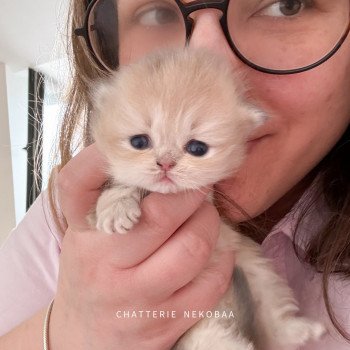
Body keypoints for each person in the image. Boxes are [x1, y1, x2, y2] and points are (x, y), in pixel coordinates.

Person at [0, 0, 350, 349]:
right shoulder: (62, 215)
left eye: (287, 5)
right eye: (158, 14)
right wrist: (68, 334)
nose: (205, 62)